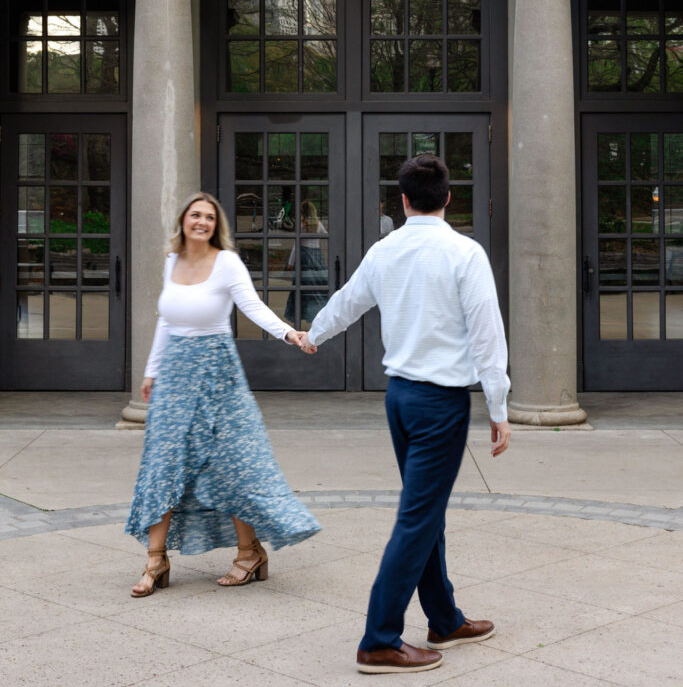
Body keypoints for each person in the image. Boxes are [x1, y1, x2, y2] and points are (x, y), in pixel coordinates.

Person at [300, 155, 511, 674]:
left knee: (426, 509)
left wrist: (313, 335)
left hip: (399, 399)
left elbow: (348, 302)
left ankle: (444, 619)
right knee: (418, 518)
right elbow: (488, 334)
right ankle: (379, 639)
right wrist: (499, 405)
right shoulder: (465, 252)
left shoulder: (384, 249)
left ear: (400, 201)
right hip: (441, 403)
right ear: (448, 198)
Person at [125, 191, 320, 597]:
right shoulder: (171, 263)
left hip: (217, 372)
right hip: (175, 374)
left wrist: (289, 332)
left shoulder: (227, 262)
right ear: (183, 221)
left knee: (230, 463)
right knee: (163, 463)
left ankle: (249, 553)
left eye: (209, 217)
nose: (201, 222)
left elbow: (252, 305)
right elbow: (166, 319)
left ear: (217, 225)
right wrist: (151, 370)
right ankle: (155, 561)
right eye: (195, 215)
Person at [284, 199, 329, 325]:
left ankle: (298, 318)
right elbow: (327, 236)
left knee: (301, 290)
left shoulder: (302, 225)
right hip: (317, 256)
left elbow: (296, 245)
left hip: (304, 257)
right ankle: (319, 317)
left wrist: (290, 262)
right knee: (318, 287)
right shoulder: (318, 224)